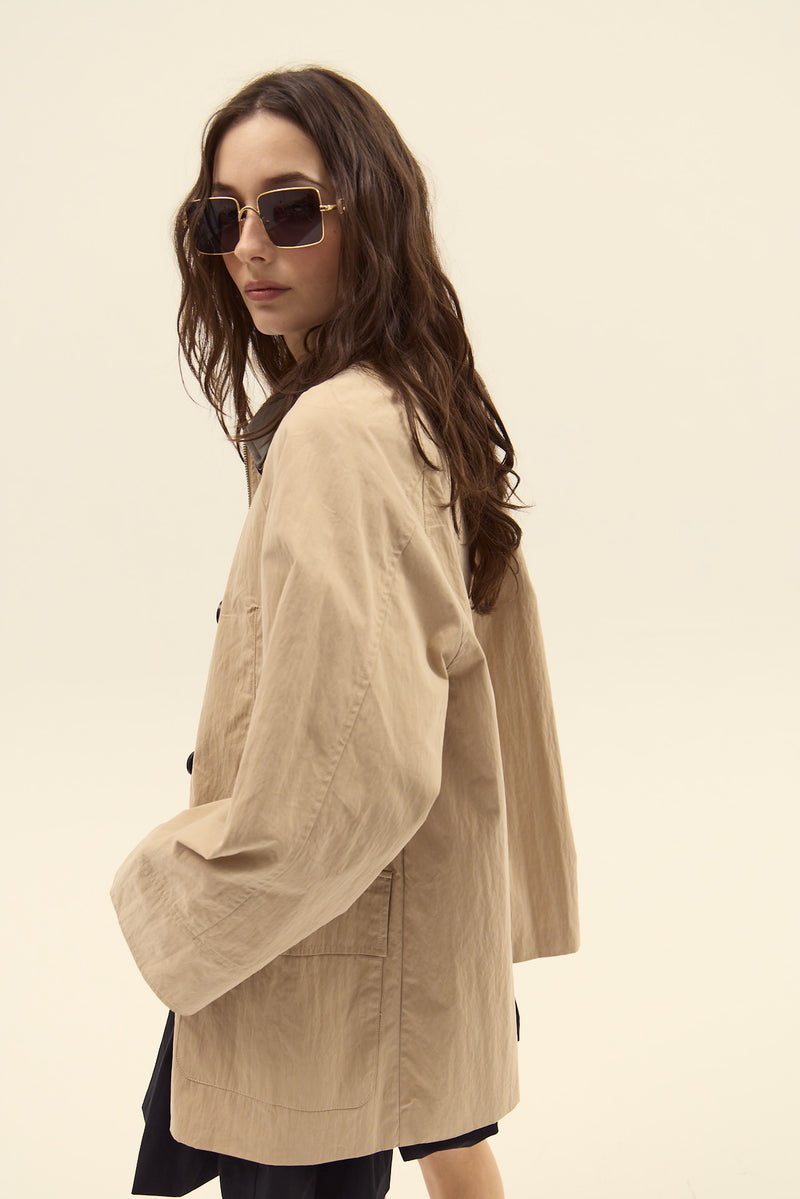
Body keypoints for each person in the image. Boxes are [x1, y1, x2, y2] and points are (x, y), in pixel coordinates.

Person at [110, 65, 580, 1199]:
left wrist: (178, 881)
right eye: (221, 216)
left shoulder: (333, 430)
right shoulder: (418, 399)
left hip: (320, 928)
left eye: (289, 209)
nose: (248, 248)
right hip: (412, 904)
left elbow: (347, 769)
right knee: (448, 1132)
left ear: (369, 210)